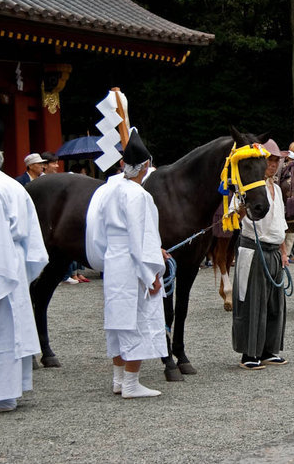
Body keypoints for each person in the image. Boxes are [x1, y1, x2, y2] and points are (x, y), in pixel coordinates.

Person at [98, 129, 168, 398]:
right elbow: (141, 240)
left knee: (118, 319)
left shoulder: (110, 189)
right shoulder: (139, 195)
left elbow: (100, 230)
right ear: (146, 166)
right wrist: (151, 275)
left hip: (114, 260)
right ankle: (130, 382)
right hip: (131, 263)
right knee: (137, 319)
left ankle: (118, 380)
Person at [0, 117, 49, 412]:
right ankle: (7, 392)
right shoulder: (13, 187)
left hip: (0, 261)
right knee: (7, 330)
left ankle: (0, 394)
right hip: (11, 262)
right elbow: (33, 238)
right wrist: (25, 272)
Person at [232, 139, 290, 370]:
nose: (273, 164)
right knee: (252, 302)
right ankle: (249, 353)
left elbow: (281, 225)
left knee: (274, 304)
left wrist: (284, 253)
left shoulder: (276, 188)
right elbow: (235, 216)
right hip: (253, 248)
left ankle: (268, 349)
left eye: (277, 160)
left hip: (274, 249)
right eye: (270, 160)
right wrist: (240, 209)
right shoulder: (245, 189)